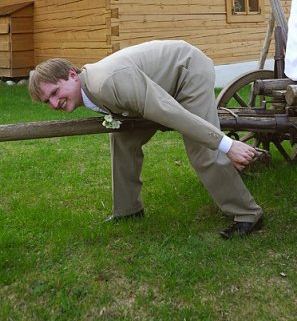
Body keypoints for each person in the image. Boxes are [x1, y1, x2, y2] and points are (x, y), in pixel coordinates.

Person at [28, 40, 264, 239]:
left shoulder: (106, 83)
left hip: (187, 71)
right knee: (123, 141)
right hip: (157, 87)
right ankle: (128, 210)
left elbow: (167, 111)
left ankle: (247, 214)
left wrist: (226, 144)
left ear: (72, 75)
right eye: (47, 101)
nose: (54, 103)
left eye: (55, 92)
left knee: (202, 150)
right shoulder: (91, 86)